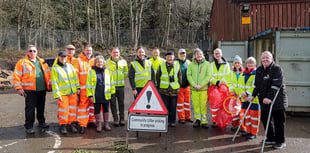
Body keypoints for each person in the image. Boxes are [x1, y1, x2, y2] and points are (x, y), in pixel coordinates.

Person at [251, 51, 288, 149]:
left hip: (277, 100)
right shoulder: (259, 70)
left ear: (272, 59)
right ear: (261, 59)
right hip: (264, 100)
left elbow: (276, 84)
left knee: (278, 121)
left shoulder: (277, 69)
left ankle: (281, 141)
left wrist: (269, 97)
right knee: (265, 119)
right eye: (263, 58)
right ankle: (271, 138)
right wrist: (253, 95)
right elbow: (257, 86)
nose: (265, 59)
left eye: (267, 57)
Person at [13, 45, 51, 134]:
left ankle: (41, 122)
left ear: (37, 52)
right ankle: (29, 126)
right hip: (29, 91)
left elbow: (48, 74)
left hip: (41, 89)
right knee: (30, 109)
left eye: (34, 51)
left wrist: (49, 85)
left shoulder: (42, 61)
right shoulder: (22, 62)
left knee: (41, 107)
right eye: (30, 51)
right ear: (27, 52)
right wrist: (18, 88)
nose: (32, 53)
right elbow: (16, 75)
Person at [51, 51, 80, 135]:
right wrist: (57, 94)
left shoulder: (70, 66)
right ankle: (63, 125)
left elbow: (75, 78)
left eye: (65, 57)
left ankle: (71, 124)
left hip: (72, 92)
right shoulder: (55, 68)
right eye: (62, 57)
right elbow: (54, 82)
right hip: (63, 94)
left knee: (72, 110)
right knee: (63, 110)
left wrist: (78, 88)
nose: (63, 58)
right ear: (58, 57)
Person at [86, 55, 115, 132]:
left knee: (106, 109)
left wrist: (112, 93)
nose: (100, 63)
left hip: (106, 95)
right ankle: (99, 125)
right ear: (95, 63)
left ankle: (106, 124)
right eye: (98, 62)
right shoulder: (91, 72)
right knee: (97, 110)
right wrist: (90, 95)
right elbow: (88, 85)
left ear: (104, 63)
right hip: (96, 95)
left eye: (101, 62)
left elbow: (111, 83)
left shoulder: (108, 72)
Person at [72, 45, 95, 134]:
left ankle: (91, 121)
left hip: (93, 89)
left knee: (92, 106)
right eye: (87, 50)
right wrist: (77, 87)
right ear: (84, 51)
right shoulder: (78, 61)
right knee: (83, 107)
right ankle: (82, 124)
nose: (89, 52)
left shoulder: (94, 60)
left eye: (90, 50)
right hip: (83, 89)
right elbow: (75, 75)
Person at [187, 48, 212, 128]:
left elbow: (208, 76)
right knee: (196, 105)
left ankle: (204, 121)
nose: (199, 55)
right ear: (195, 56)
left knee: (203, 105)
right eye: (197, 54)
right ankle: (197, 120)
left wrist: (201, 85)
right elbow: (189, 75)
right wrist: (194, 85)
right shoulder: (191, 64)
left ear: (203, 55)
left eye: (200, 54)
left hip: (203, 89)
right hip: (194, 89)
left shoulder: (207, 64)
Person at [156, 51, 182, 127]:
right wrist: (159, 86)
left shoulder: (177, 65)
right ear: (166, 58)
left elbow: (180, 77)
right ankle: (166, 121)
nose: (169, 58)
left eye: (171, 56)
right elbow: (158, 76)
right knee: (165, 106)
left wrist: (178, 87)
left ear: (174, 57)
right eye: (168, 57)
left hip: (174, 90)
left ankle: (172, 121)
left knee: (173, 106)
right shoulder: (161, 65)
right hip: (164, 90)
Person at [237, 57, 261, 140]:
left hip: (253, 99)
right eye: (248, 63)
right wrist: (242, 94)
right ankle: (248, 131)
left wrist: (247, 93)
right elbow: (239, 85)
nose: (250, 64)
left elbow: (255, 85)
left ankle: (254, 133)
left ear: (254, 64)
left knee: (254, 117)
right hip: (245, 99)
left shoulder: (257, 73)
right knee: (247, 117)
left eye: (251, 63)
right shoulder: (243, 73)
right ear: (246, 64)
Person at [106, 47, 128, 126]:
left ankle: (122, 118)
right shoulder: (107, 62)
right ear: (111, 53)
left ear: (119, 53)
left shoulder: (123, 62)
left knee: (121, 102)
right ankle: (115, 119)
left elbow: (125, 72)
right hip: (111, 86)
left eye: (117, 52)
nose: (116, 54)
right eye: (114, 52)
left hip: (121, 86)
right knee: (113, 103)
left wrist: (121, 79)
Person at [209, 48, 231, 128]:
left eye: (218, 53)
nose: (217, 55)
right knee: (214, 105)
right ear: (214, 55)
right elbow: (210, 76)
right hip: (213, 87)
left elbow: (227, 75)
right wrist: (216, 82)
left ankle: (221, 121)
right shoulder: (211, 65)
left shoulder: (226, 64)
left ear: (221, 54)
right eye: (216, 54)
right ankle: (215, 121)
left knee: (222, 105)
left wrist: (221, 82)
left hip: (223, 88)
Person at [175, 49, 193, 124]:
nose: (183, 55)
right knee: (180, 103)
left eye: (184, 53)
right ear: (178, 54)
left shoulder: (188, 62)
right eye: (181, 54)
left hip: (187, 86)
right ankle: (181, 118)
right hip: (179, 86)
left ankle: (188, 117)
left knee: (187, 103)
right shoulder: (175, 63)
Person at [228, 55, 245, 131]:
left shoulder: (244, 72)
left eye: (239, 63)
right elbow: (228, 82)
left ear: (241, 64)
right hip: (233, 95)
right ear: (234, 64)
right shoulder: (231, 73)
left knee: (241, 111)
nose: (237, 64)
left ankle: (243, 127)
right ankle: (235, 125)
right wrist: (232, 89)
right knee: (234, 111)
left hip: (241, 95)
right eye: (236, 63)